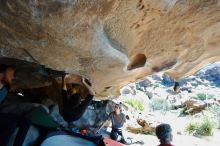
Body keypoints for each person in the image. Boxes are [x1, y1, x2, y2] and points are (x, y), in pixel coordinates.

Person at [0, 64, 31, 146]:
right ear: (1, 74)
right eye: (10, 74)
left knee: (26, 121)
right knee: (11, 124)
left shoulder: (6, 87)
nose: (12, 77)